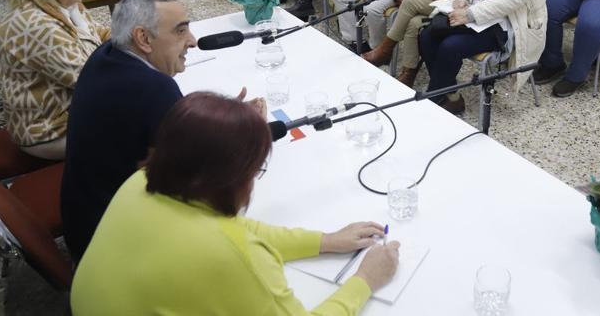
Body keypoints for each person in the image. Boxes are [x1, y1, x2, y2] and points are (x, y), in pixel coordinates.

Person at [70, 92, 400, 314]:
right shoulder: (231, 255)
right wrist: (365, 280)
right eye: (256, 169)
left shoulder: (139, 182)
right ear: (234, 176)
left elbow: (240, 228)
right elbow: (237, 242)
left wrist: (325, 241)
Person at [61, 0, 198, 262]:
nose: (192, 41)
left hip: (84, 220)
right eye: (180, 31)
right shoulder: (154, 89)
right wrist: (237, 126)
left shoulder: (106, 53)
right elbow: (196, 173)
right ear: (143, 38)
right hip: (115, 247)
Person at [0, 0, 109, 161]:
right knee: (140, 127)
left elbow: (99, 34)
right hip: (49, 131)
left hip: (70, 110)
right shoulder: (37, 25)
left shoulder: (66, 2)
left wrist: (136, 37)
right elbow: (93, 83)